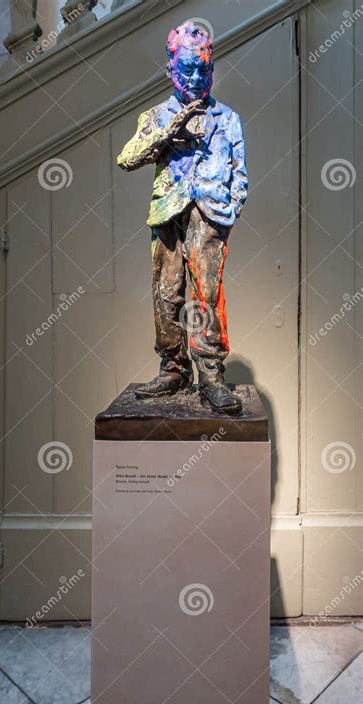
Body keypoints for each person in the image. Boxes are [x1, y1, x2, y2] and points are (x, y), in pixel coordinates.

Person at [117, 21, 248, 414]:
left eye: (203, 70)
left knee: (206, 294)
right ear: (170, 67)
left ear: (213, 68)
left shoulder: (227, 118)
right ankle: (173, 367)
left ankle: (210, 374)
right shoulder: (157, 116)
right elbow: (126, 158)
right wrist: (163, 137)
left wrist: (230, 207)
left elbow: (240, 172)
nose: (195, 77)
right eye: (187, 69)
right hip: (168, 213)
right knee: (166, 291)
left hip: (210, 216)